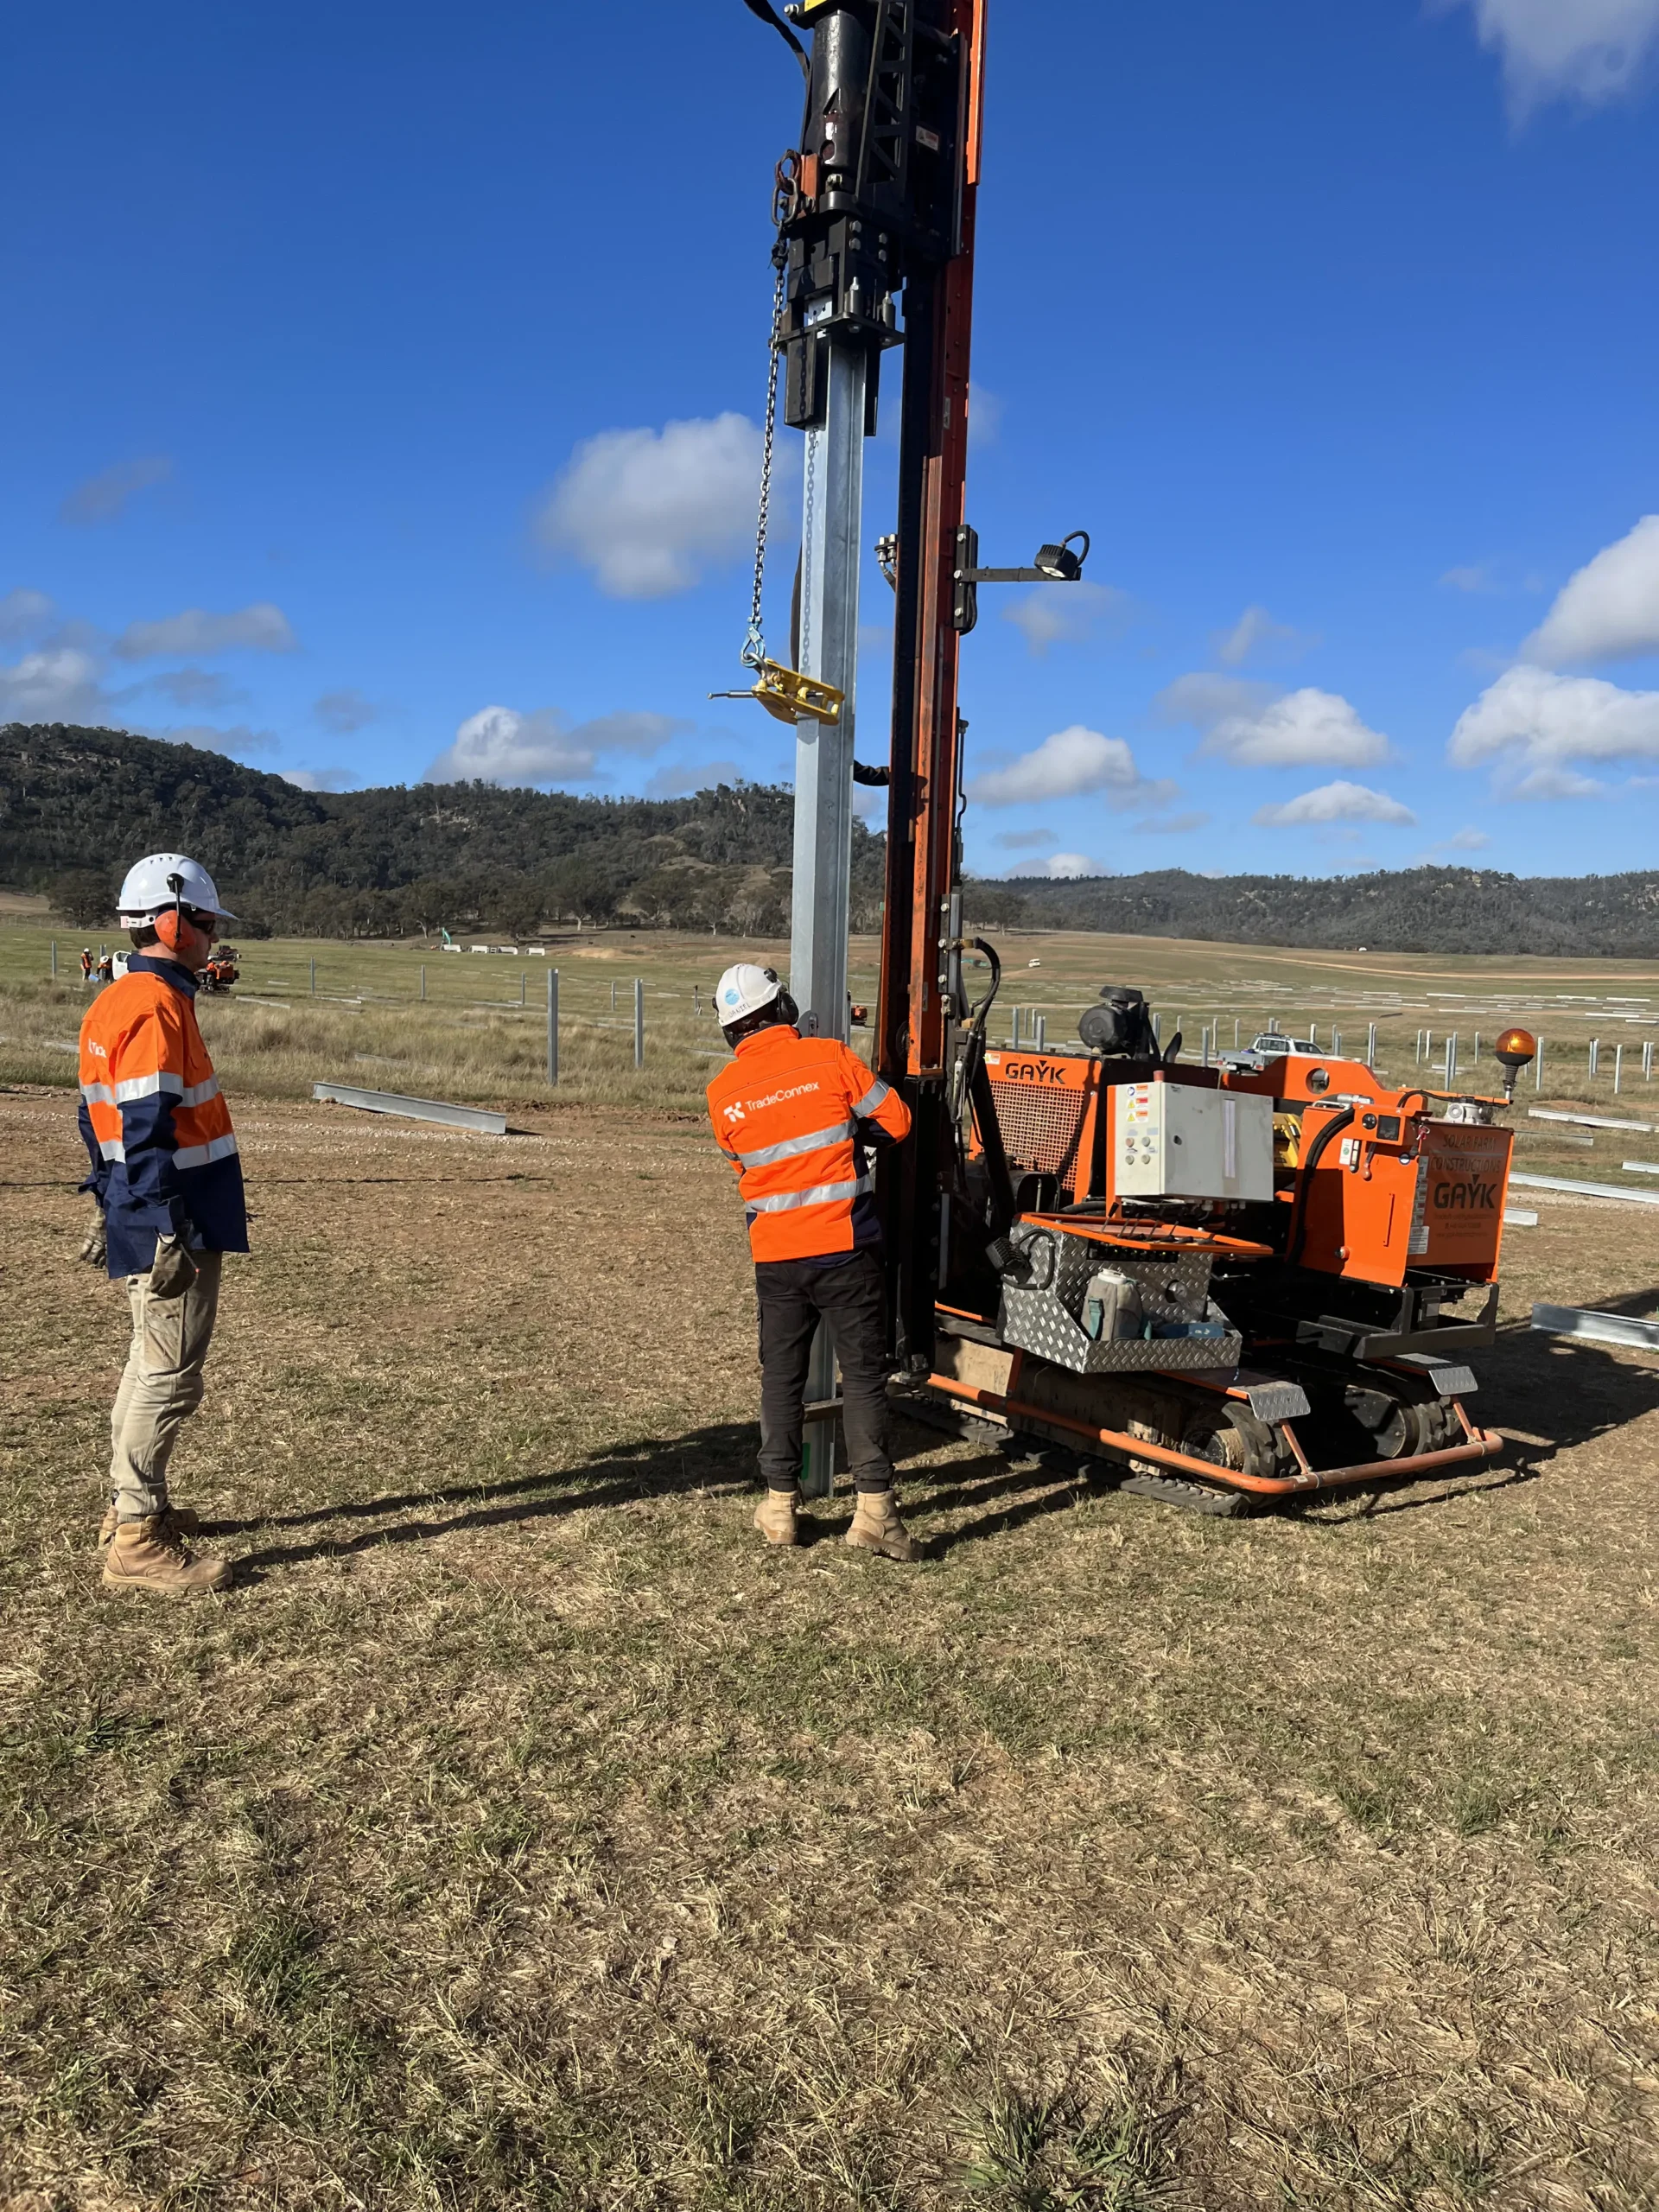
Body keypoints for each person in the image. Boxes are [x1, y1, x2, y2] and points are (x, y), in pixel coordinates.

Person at [77, 852, 247, 1595]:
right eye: (207, 922)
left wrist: (110, 1198)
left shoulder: (120, 998)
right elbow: (145, 1128)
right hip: (172, 1215)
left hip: (146, 1208)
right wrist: (164, 1222)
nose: (213, 937)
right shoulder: (153, 1006)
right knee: (170, 1374)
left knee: (149, 1363)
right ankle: (137, 1537)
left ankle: (131, 1511)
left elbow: (93, 1117)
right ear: (173, 919)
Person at [705, 963, 917, 1560]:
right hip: (846, 1247)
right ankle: (875, 1512)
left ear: (730, 1031)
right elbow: (897, 1122)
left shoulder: (721, 1094)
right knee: (865, 1377)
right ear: (783, 1007)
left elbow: (744, 1166)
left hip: (775, 1256)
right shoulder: (829, 1058)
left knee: (782, 1379)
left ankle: (779, 1508)